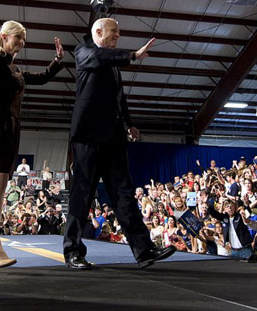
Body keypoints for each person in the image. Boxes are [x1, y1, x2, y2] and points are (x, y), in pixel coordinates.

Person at [64, 17, 174, 270]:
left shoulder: (113, 66)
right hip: (88, 137)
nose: (117, 36)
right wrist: (133, 55)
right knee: (82, 195)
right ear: (98, 32)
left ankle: (144, 250)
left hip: (113, 138)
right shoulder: (84, 52)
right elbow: (100, 57)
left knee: (124, 194)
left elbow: (119, 99)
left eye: (119, 33)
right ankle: (73, 252)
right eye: (114, 32)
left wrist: (128, 124)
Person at [0, 20, 64, 272]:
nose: (21, 43)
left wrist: (56, 61)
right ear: (4, 37)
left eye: (23, 39)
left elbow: (40, 78)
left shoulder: (12, 67)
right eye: (18, 38)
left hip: (11, 129)